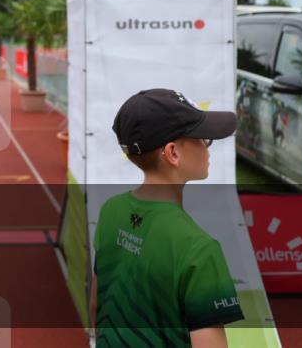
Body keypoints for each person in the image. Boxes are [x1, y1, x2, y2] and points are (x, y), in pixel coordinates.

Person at [89, 89, 244, 348]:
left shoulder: (110, 211)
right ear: (172, 153)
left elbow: (96, 306)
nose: (207, 147)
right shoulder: (199, 249)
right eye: (202, 137)